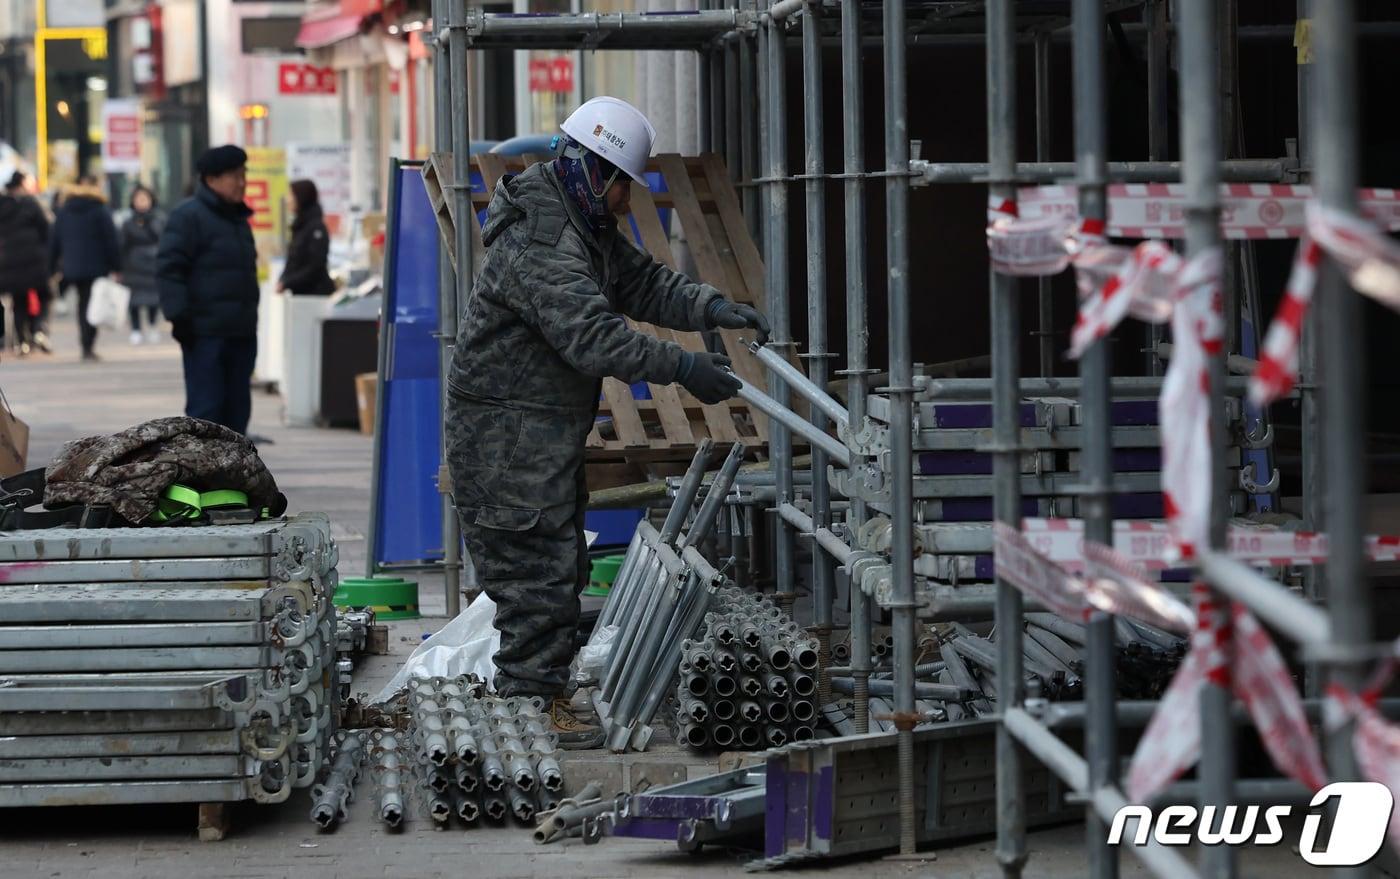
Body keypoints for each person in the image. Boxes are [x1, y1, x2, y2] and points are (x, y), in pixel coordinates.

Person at [445, 97, 770, 746]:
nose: (629, 202)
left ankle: (533, 702)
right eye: (628, 186)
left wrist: (713, 308)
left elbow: (644, 284)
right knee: (536, 579)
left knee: (558, 565)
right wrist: (684, 368)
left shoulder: (580, 220)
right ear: (599, 173)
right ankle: (529, 714)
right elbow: (592, 337)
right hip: (506, 442)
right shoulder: (543, 238)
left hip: (539, 435)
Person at [157, 145, 260, 435]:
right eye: (234, 176)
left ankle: (232, 475)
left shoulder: (239, 220)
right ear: (211, 180)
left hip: (240, 333)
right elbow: (169, 268)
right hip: (204, 334)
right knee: (207, 412)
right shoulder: (187, 217)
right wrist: (179, 317)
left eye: (244, 175)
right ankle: (202, 478)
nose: (242, 182)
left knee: (237, 412)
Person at [49, 174, 120, 360]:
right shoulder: (101, 210)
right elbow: (111, 240)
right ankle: (88, 344)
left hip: (72, 265)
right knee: (92, 303)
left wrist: (52, 267)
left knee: (83, 303)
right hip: (97, 265)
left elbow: (55, 241)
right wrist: (117, 266)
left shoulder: (64, 211)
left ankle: (85, 343)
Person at [0, 171, 52, 355]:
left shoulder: (2, 205)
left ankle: (22, 340)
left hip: (9, 261)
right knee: (43, 295)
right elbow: (47, 228)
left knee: (18, 301)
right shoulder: (31, 203)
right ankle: (38, 329)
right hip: (34, 259)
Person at [120, 184, 165, 344]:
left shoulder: (158, 220)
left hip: (152, 265)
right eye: (138, 199)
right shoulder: (127, 223)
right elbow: (122, 245)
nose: (142, 202)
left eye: (145, 199)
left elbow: (162, 239)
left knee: (153, 300)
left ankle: (152, 326)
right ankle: (136, 329)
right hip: (133, 267)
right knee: (134, 301)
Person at [277, 179, 335, 296]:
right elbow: (292, 262)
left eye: (291, 195)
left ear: (301, 197)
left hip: (315, 295)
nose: (288, 200)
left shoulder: (316, 228)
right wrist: (283, 280)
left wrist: (287, 282)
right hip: (301, 295)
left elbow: (315, 266)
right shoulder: (299, 226)